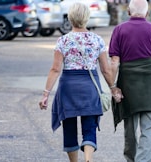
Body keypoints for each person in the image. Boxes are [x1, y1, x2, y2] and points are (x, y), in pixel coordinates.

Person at [38, 3, 121, 162]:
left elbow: (55, 69)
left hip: (68, 89)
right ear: (87, 18)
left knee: (69, 128)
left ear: (70, 18)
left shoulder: (63, 40)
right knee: (89, 128)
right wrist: (113, 88)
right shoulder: (97, 40)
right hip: (89, 88)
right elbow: (105, 69)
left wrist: (45, 94)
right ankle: (88, 159)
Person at [108, 0, 151, 161]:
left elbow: (114, 63)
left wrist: (113, 87)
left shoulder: (119, 30)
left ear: (128, 12)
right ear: (147, 13)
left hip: (128, 83)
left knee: (130, 128)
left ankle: (132, 159)